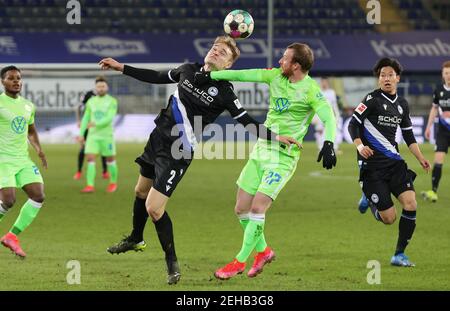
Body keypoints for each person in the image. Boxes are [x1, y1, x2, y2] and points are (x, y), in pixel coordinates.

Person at [99, 36, 300, 284]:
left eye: (224, 52)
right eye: (215, 48)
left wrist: (276, 137)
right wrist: (122, 68)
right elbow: (158, 76)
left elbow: (247, 122)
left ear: (228, 66)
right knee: (140, 191)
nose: (216, 52)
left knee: (154, 207)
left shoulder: (225, 91)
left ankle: (172, 263)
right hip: (157, 139)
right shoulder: (187, 70)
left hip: (178, 151)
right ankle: (136, 238)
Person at [194, 42, 337, 279]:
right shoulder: (275, 77)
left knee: (258, 208)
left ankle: (239, 262)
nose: (280, 61)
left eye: (285, 58)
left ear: (296, 66)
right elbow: (242, 74)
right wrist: (211, 74)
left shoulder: (311, 91)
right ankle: (264, 251)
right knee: (241, 209)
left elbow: (329, 118)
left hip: (283, 157)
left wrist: (329, 142)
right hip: (261, 150)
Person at [348, 58, 430, 267]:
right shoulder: (371, 99)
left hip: (394, 164)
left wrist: (420, 158)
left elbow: (409, 136)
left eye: (390, 75)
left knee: (411, 204)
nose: (386, 78)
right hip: (372, 166)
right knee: (389, 219)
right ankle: (369, 196)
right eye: (382, 75)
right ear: (378, 79)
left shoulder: (402, 104)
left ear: (397, 78)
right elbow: (352, 125)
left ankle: (399, 254)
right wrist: (359, 146)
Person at [0, 65, 47, 258]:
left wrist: (38, 149)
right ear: (3, 81)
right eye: (11, 78)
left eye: (18, 78)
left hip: (22, 159)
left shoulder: (28, 105)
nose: (16, 81)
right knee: (8, 200)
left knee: (38, 195)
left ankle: (12, 236)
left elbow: (31, 130)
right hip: (2, 159)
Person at [78, 76, 119, 193]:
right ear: (95, 88)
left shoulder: (112, 101)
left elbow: (110, 118)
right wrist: (81, 133)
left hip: (107, 136)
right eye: (99, 87)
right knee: (90, 158)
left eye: (103, 86)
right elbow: (86, 118)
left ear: (107, 87)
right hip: (92, 136)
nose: (101, 88)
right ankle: (90, 185)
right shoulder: (91, 102)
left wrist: (95, 123)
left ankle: (113, 183)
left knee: (110, 159)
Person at [422, 60, 450, 203]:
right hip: (443, 132)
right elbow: (434, 108)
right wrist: (428, 126)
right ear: (442, 74)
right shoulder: (438, 90)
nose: (448, 76)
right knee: (438, 160)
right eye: (446, 73)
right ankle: (433, 191)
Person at [73, 89, 109, 181]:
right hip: (87, 128)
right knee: (83, 150)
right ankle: (79, 171)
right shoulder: (88, 95)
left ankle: (105, 171)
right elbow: (78, 107)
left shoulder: (103, 99)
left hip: (97, 128)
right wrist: (79, 121)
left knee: (102, 149)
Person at [312, 77, 342, 152]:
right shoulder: (318, 92)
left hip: (330, 115)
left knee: (332, 131)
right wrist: (314, 116)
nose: (324, 84)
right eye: (322, 82)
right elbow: (315, 105)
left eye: (325, 82)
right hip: (320, 115)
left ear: (327, 83)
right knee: (320, 132)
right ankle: (320, 148)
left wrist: (337, 115)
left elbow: (334, 105)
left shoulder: (331, 92)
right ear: (321, 83)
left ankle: (334, 148)